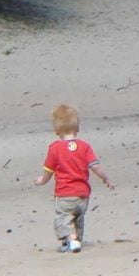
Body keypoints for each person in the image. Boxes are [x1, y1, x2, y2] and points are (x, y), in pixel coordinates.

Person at [34, 104, 115, 253]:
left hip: (65, 194)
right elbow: (95, 166)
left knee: (63, 218)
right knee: (78, 218)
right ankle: (74, 241)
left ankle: (71, 238)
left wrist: (42, 180)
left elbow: (48, 171)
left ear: (57, 130)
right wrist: (106, 178)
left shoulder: (55, 148)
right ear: (77, 128)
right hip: (83, 194)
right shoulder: (85, 146)